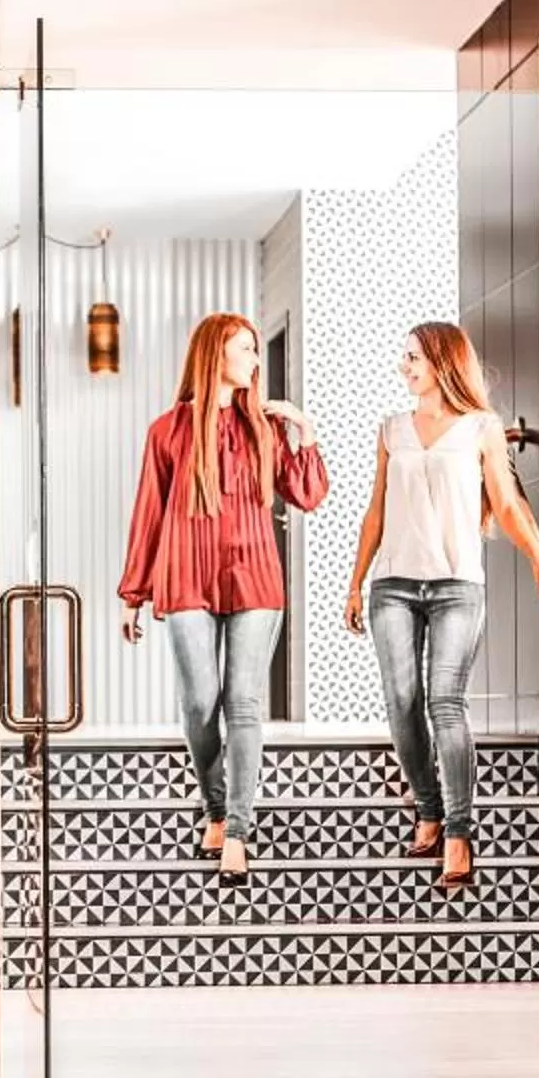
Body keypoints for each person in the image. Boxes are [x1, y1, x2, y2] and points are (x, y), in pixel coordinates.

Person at [344, 322, 539, 892]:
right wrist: (354, 582)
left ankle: (459, 831)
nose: (404, 366)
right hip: (392, 584)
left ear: (443, 361)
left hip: (456, 587)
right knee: (401, 699)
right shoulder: (392, 429)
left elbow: (508, 506)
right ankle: (427, 806)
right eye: (405, 357)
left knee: (446, 700)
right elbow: (376, 510)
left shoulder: (481, 429)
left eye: (414, 357)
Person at [119, 313, 327, 884]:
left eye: (257, 350)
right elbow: (149, 514)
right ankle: (214, 805)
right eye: (246, 349)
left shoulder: (262, 428)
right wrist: (133, 593)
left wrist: (303, 433)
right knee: (199, 702)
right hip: (185, 575)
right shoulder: (167, 431)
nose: (256, 361)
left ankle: (236, 829)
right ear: (216, 354)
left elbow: (307, 495)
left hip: (255, 577)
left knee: (243, 703)